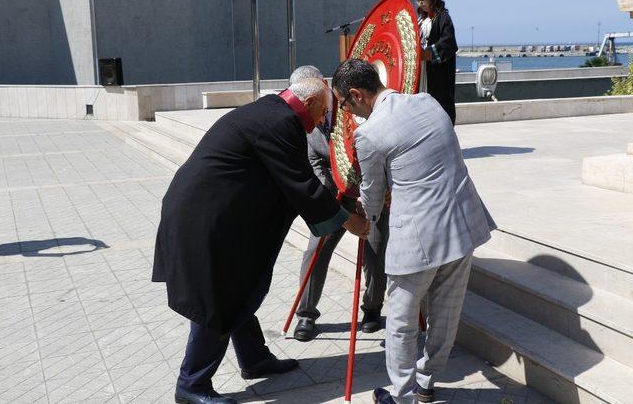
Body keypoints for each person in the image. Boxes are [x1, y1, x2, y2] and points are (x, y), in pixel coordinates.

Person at [153, 78, 370, 404]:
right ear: (309, 103)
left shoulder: (276, 113)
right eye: (322, 111)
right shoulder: (280, 122)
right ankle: (191, 385)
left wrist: (340, 206)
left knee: (240, 287)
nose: (321, 120)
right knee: (216, 300)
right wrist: (348, 221)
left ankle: (254, 359)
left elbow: (294, 183)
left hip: (217, 215)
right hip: (204, 219)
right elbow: (302, 186)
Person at [331, 59, 496, 404]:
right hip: (463, 223)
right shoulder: (427, 101)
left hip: (418, 239)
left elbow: (373, 198)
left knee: (402, 323)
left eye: (343, 103)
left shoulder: (369, 133)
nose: (345, 111)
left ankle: (403, 395)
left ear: (357, 96)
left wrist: (364, 218)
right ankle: (426, 383)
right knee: (446, 317)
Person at [287, 66, 388, 342]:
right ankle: (306, 313)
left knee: (376, 250)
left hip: (373, 193)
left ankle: (372, 307)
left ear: (323, 88)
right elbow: (315, 161)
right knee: (315, 249)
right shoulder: (308, 120)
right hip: (336, 196)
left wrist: (366, 197)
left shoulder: (352, 104)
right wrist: (336, 199)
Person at [416, 0, 458, 125]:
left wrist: (429, 54)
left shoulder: (443, 18)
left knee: (439, 103)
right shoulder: (420, 20)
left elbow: (448, 42)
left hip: (437, 71)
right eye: (418, 1)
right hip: (421, 70)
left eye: (423, 0)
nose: (420, 4)